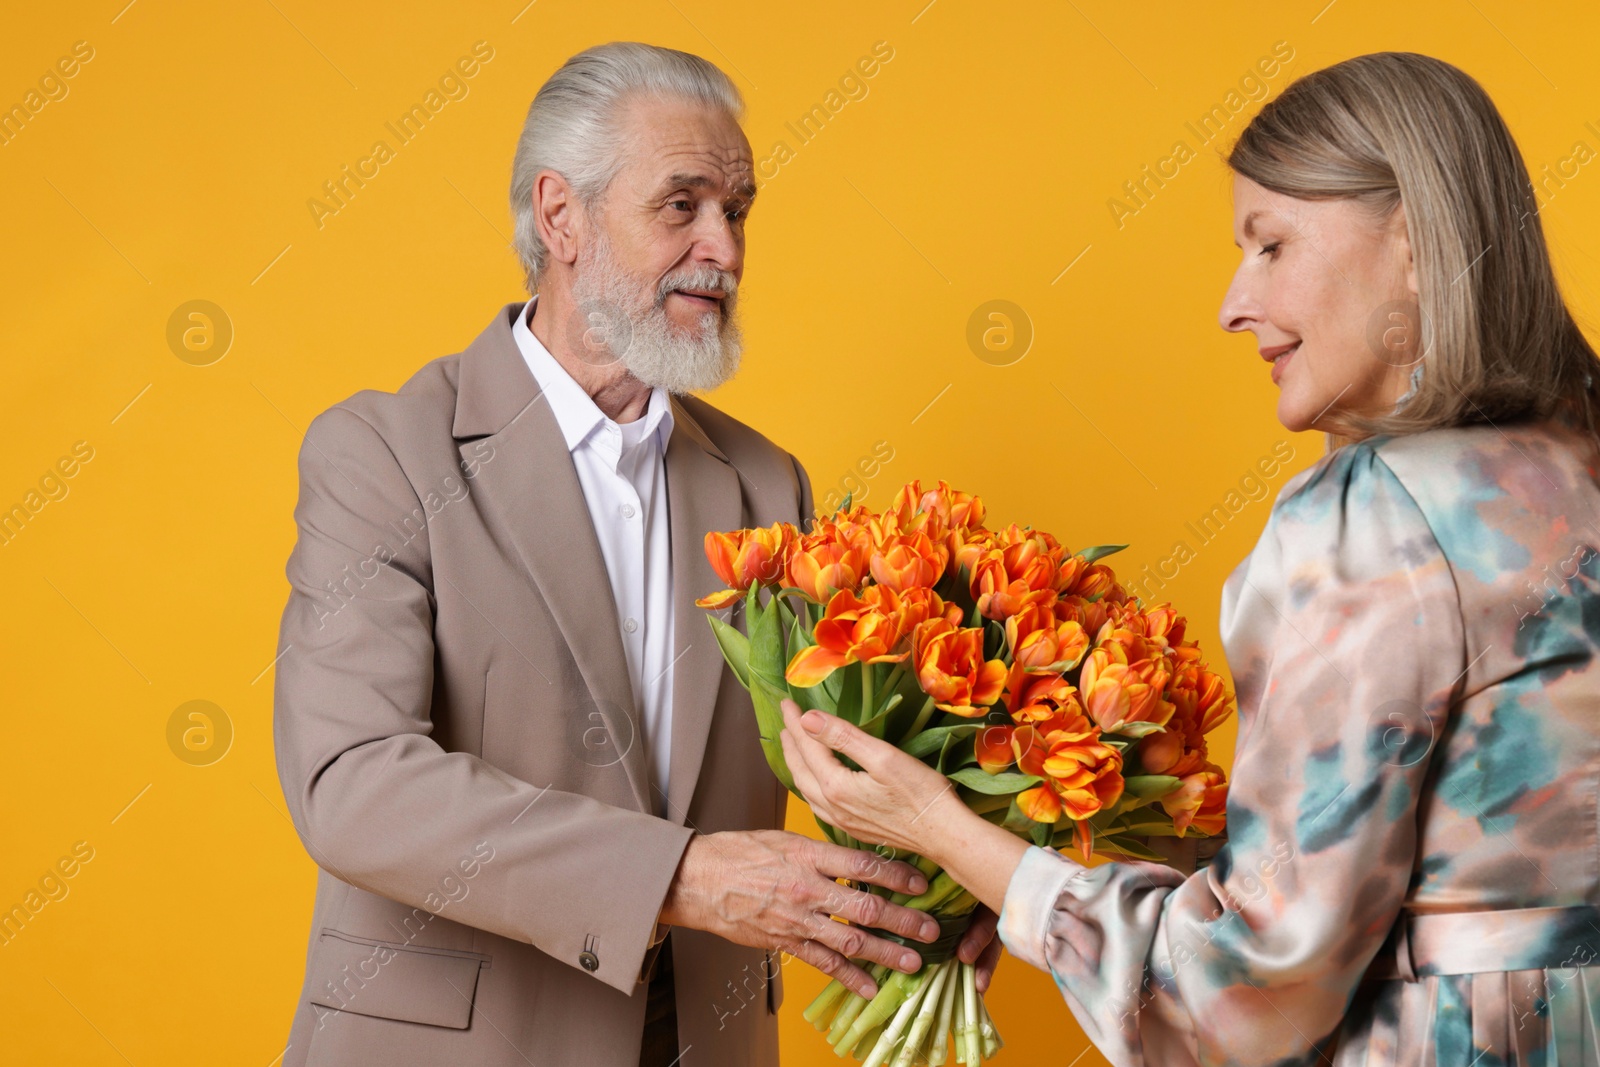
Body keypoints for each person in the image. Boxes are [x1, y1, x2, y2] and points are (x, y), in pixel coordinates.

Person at [778, 51, 1600, 1067]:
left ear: (1415, 245)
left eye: (1271, 244)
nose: (1231, 303)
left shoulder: (1372, 517)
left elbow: (1246, 991)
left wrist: (951, 834)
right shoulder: (1574, 472)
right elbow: (1442, 863)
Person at [272, 41, 994, 1067]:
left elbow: (827, 755)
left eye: (737, 211)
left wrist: (950, 881)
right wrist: (679, 876)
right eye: (683, 205)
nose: (726, 250)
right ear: (560, 216)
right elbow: (353, 782)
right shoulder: (384, 453)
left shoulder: (762, 481)